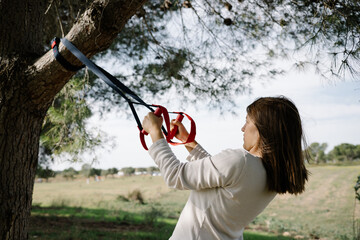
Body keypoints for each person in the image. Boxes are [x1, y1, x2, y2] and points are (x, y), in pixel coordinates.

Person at [142, 96, 309, 240]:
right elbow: (222, 178)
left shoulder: (241, 160)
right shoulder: (273, 175)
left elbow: (175, 175)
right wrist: (188, 140)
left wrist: (155, 132)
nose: (242, 129)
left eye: (247, 121)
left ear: (262, 129)